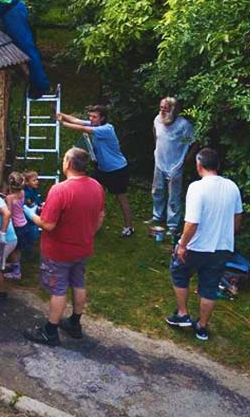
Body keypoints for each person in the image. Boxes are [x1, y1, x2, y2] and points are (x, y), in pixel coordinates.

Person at [24, 148, 105, 346]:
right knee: (78, 283)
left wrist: (30, 214)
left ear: (68, 164)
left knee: (59, 290)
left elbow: (48, 224)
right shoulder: (96, 186)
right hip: (83, 247)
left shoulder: (60, 190)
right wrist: (89, 232)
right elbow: (100, 215)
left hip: (59, 251)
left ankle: (50, 332)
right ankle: (75, 324)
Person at [165, 148, 243, 342]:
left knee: (179, 272)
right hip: (222, 247)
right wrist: (228, 235)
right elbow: (238, 216)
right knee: (209, 286)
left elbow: (192, 223)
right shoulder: (232, 187)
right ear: (218, 165)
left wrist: (182, 245)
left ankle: (183, 314)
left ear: (199, 165)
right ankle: (202, 327)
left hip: (197, 246)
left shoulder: (197, 188)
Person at [57, 106, 135, 237]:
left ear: (102, 118)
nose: (91, 119)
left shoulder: (106, 129)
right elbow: (77, 121)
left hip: (117, 169)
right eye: (90, 116)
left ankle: (129, 227)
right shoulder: (95, 124)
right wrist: (62, 114)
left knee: (121, 197)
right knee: (91, 193)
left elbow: (83, 128)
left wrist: (62, 123)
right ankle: (91, 224)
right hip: (101, 169)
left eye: (94, 117)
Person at [150, 97, 196, 238]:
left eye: (166, 108)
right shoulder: (157, 120)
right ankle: (157, 216)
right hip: (159, 161)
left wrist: (184, 161)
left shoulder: (183, 126)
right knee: (157, 191)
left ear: (174, 110)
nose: (163, 110)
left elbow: (192, 143)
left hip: (176, 165)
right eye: (161, 107)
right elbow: (155, 134)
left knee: (174, 197)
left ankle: (173, 225)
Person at [3, 172, 27, 279]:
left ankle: (16, 272)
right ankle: (16, 265)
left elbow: (9, 213)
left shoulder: (9, 198)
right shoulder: (22, 192)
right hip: (23, 223)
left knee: (13, 249)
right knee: (18, 249)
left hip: (16, 225)